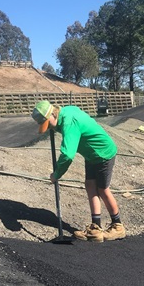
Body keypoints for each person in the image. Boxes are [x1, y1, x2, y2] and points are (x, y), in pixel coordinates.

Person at [31, 100, 126, 243]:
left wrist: (56, 174)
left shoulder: (69, 123)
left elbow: (68, 155)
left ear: (52, 115)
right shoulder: (65, 112)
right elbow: (76, 112)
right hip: (91, 154)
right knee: (90, 185)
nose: (49, 127)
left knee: (103, 189)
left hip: (103, 152)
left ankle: (118, 226)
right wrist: (53, 128)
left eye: (48, 124)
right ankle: (95, 228)